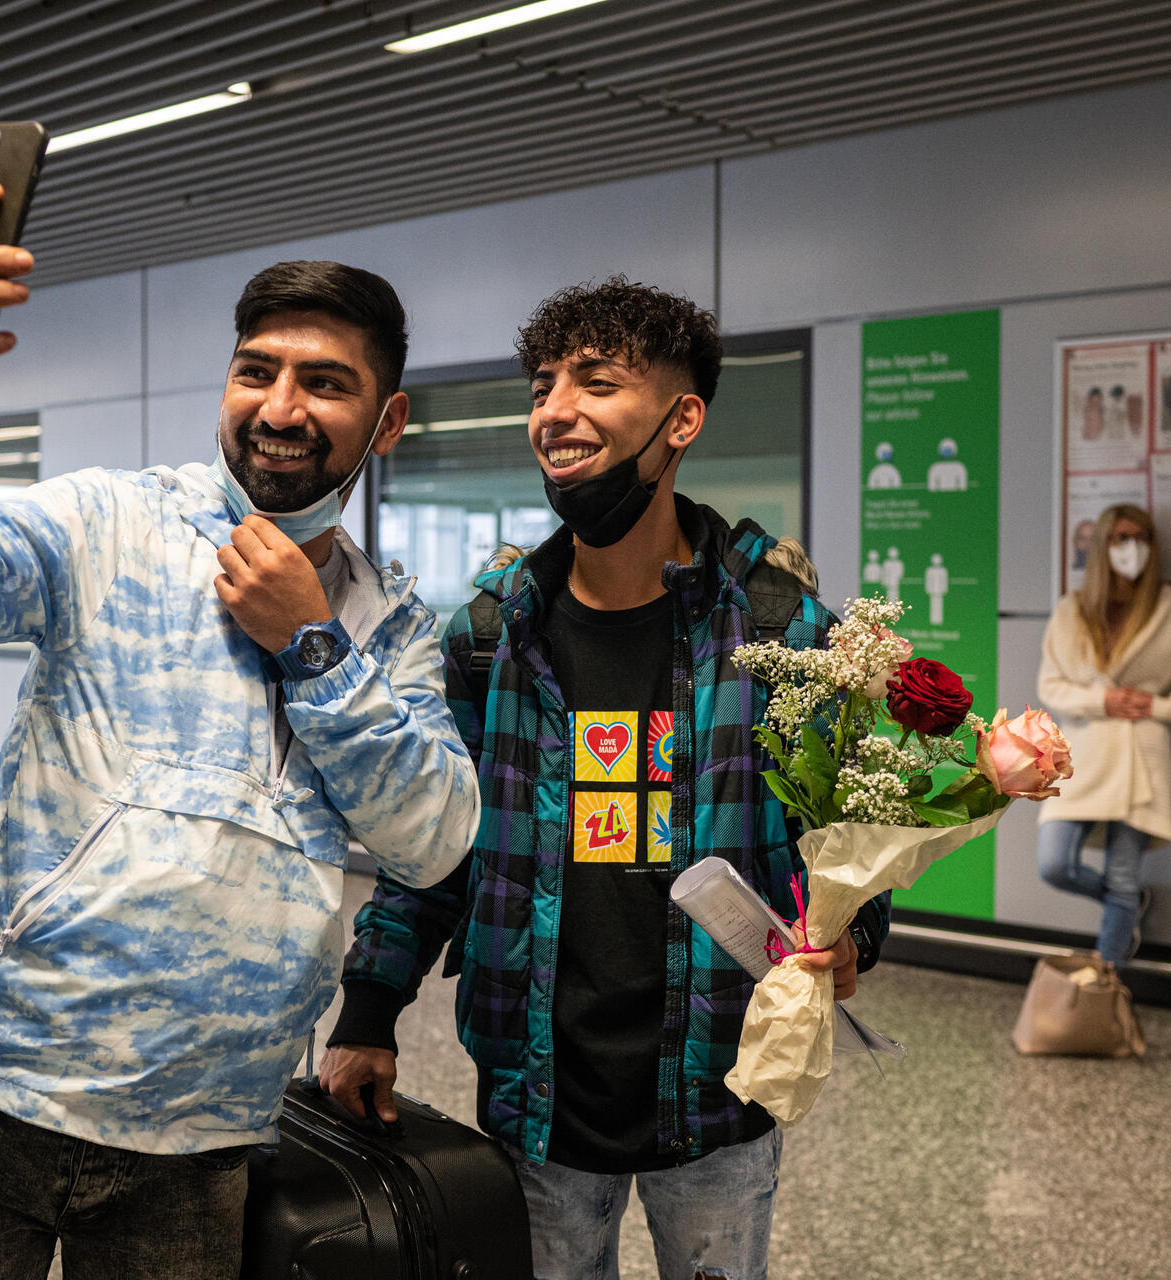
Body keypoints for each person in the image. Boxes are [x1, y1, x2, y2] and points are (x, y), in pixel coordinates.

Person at [0, 184, 479, 1278]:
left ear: (386, 420)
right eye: (257, 369)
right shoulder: (108, 519)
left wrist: (313, 646)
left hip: (202, 1130)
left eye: (326, 382)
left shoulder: (387, 627)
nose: (281, 404)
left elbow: (432, 836)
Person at [321, 278, 890, 1280]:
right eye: (543, 383)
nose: (554, 408)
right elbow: (430, 847)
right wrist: (368, 1009)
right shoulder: (490, 637)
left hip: (716, 1094)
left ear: (680, 420)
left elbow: (845, 837)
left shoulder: (777, 632)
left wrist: (851, 935)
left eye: (594, 380)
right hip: (539, 1097)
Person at [1037, 503, 1170, 965]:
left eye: (1142, 538)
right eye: (1120, 537)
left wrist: (1152, 705)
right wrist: (1103, 701)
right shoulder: (1074, 610)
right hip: (1085, 757)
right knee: (1054, 864)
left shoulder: (1166, 607)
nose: (1131, 548)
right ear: (1102, 545)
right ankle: (1127, 905)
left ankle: (1107, 985)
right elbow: (1050, 685)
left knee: (1122, 876)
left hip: (1141, 760)